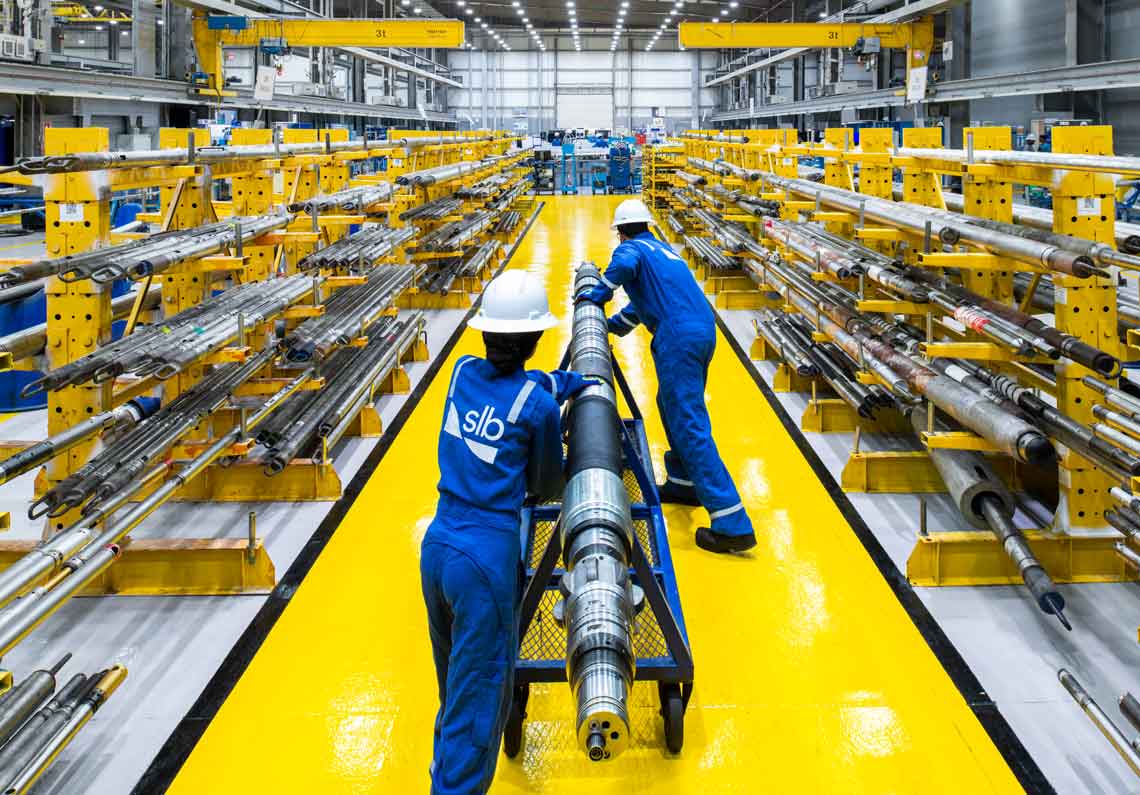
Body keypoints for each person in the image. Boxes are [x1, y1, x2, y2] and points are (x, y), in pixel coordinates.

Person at [420, 270, 593, 794]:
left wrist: (557, 382)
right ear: (535, 339)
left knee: (454, 688)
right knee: (477, 704)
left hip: (439, 546)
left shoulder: (460, 372)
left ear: (487, 333)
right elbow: (546, 483)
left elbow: (516, 386)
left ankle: (442, 773)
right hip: (484, 559)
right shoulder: (535, 406)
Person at [580, 198, 757, 554]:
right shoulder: (662, 251)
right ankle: (683, 482)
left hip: (678, 337)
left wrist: (596, 294)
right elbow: (643, 305)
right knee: (670, 404)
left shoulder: (631, 249)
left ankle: (732, 523)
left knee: (689, 421)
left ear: (621, 232)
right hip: (699, 331)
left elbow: (623, 265)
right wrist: (609, 326)